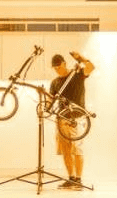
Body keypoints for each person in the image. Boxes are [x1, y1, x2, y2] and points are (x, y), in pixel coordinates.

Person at [50, 50, 95, 190]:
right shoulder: (55, 82)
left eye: (59, 67)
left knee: (77, 149)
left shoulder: (76, 75)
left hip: (77, 118)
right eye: (55, 68)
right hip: (61, 119)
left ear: (64, 63)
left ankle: (79, 181)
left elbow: (91, 68)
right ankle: (71, 178)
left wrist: (80, 58)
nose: (57, 70)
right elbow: (50, 100)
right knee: (66, 150)